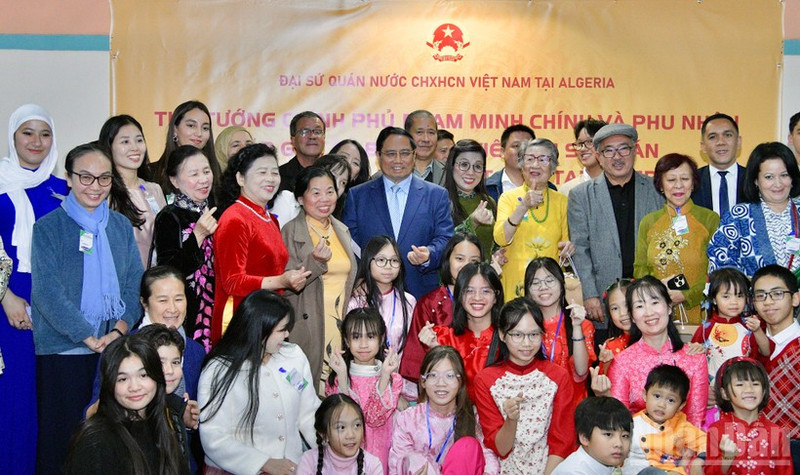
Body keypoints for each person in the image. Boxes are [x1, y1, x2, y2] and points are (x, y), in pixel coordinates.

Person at [31, 142, 143, 473]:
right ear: (68, 178)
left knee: (109, 445)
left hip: (112, 352)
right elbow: (47, 292)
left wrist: (118, 330)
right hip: (62, 352)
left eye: (104, 178)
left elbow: (134, 283)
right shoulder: (48, 228)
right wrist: (87, 336)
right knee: (61, 443)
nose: (94, 187)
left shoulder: (121, 226)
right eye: (85, 177)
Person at [0, 103, 67, 474]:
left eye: (45, 133)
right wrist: (6, 296)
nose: (36, 141)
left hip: (53, 302)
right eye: (28, 132)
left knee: (50, 399)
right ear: (13, 137)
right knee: (15, 395)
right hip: (8, 302)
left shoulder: (63, 189)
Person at [198, 290, 320, 474]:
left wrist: (329, 451)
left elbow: (309, 412)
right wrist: (264, 463)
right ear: (259, 329)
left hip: (293, 468)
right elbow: (213, 436)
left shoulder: (293, 355)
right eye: (281, 330)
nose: (287, 335)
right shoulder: (220, 370)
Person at [567, 123, 664, 334]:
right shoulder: (581, 196)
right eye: (609, 151)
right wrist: (590, 294)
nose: (617, 156)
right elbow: (580, 249)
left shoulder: (656, 190)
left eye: (623, 148)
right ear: (599, 156)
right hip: (603, 302)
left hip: (649, 299)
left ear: (634, 151)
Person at [213, 143, 310, 345]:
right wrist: (281, 281)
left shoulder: (268, 218)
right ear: (240, 178)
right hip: (241, 320)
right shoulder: (235, 218)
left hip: (269, 320)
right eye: (262, 172)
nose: (271, 178)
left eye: (275, 172)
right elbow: (233, 282)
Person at [343, 126, 454, 299]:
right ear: (378, 156)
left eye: (405, 153)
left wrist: (429, 254)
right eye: (390, 154)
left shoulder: (437, 195)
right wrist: (361, 277)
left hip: (422, 293)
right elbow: (350, 244)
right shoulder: (357, 196)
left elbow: (445, 238)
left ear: (414, 155)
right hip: (371, 293)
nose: (398, 160)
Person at [473, 298, 576, 474]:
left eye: (534, 334)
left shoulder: (558, 377)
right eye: (517, 335)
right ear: (502, 335)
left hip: (551, 469)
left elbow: (562, 443)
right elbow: (501, 448)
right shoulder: (485, 380)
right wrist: (511, 420)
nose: (527, 343)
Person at [64, 335, 189, 475]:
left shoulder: (167, 422)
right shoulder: (96, 440)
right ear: (110, 384)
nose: (134, 387)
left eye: (143, 375)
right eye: (123, 379)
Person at [282, 166, 356, 387]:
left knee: (335, 398)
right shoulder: (289, 232)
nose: (324, 199)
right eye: (315, 192)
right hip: (306, 328)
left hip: (339, 326)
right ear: (301, 198)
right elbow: (283, 286)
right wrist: (314, 262)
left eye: (330, 191)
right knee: (304, 394)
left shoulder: (341, 229)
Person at [605, 276, 708, 427]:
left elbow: (695, 420)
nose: (649, 312)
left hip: (683, 446)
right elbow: (620, 423)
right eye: (639, 306)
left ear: (669, 307)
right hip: (637, 446)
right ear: (632, 316)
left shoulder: (694, 359)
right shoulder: (622, 362)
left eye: (654, 302)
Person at [634, 153, 720, 324]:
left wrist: (686, 295)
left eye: (685, 179)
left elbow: (717, 271)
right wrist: (658, 293)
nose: (678, 185)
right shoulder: (649, 222)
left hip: (700, 312)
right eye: (671, 179)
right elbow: (640, 269)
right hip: (656, 314)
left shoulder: (709, 219)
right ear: (660, 185)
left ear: (693, 183)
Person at [390, 346, 499, 475]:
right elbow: (396, 463)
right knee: (413, 459)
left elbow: (488, 455)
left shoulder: (472, 415)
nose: (441, 383)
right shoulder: (408, 418)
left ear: (460, 382)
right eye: (433, 375)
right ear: (423, 381)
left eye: (449, 375)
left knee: (467, 446)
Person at [152, 145, 219, 351]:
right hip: (186, 313)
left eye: (206, 171)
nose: (203, 179)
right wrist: (197, 235)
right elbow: (169, 272)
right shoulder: (169, 216)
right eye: (194, 174)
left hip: (218, 309)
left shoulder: (217, 209)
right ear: (174, 181)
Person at [494, 138, 573, 300]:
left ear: (553, 168)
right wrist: (523, 206)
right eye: (530, 159)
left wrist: (568, 251)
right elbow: (501, 238)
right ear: (522, 165)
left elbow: (565, 247)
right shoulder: (508, 198)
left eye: (543, 159)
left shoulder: (562, 201)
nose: (535, 165)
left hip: (549, 288)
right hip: (516, 285)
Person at [707, 142, 800, 278]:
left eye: (784, 175)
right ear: (756, 180)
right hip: (754, 297)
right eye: (769, 177)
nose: (778, 183)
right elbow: (719, 260)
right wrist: (751, 285)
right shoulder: (738, 217)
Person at [327, 308, 403, 473]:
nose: (363, 344)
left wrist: (384, 376)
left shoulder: (393, 379)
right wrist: (341, 377)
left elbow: (374, 418)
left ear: (381, 338)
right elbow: (342, 418)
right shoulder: (336, 379)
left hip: (381, 457)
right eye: (355, 337)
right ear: (346, 341)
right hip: (345, 460)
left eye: (370, 336)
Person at [400, 232, 483, 383]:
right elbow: (415, 361)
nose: (466, 266)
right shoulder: (429, 303)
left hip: (479, 388)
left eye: (474, 261)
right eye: (459, 259)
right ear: (447, 260)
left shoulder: (486, 301)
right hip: (437, 388)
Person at [691, 268, 769, 422]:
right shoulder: (705, 330)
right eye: (726, 296)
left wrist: (758, 330)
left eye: (739, 295)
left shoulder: (750, 327)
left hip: (744, 398)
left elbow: (766, 352)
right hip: (712, 398)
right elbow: (691, 366)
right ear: (713, 299)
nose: (734, 302)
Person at [417, 262, 503, 395]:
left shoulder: (508, 338)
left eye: (485, 291)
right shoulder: (442, 337)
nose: (477, 297)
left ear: (496, 297)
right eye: (469, 290)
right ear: (459, 296)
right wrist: (435, 349)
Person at [524, 257, 595, 406]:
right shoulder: (524, 326)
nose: (543, 287)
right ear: (528, 291)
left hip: (573, 407)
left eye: (550, 280)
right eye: (535, 283)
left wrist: (576, 327)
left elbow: (581, 372)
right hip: (535, 409)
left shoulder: (582, 324)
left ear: (562, 284)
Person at [705, 357, 794, 474]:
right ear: (725, 393)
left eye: (755, 383)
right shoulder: (716, 430)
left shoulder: (777, 432)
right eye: (740, 384)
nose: (749, 389)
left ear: (764, 391)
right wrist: (727, 459)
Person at [99, 114, 166, 268]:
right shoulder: (102, 192)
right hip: (120, 281)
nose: (135, 147)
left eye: (139, 140)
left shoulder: (154, 189)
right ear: (109, 147)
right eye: (125, 142)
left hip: (154, 283)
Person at [750, 264, 800, 467]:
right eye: (761, 296)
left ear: (795, 298)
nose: (768, 301)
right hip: (750, 446)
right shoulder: (747, 344)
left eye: (777, 294)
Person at [622, 365, 706, 475]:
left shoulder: (681, 426)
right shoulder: (631, 424)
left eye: (671, 400)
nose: (662, 405)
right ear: (645, 395)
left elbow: (707, 442)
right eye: (657, 396)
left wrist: (700, 460)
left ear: (681, 405)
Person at [347, 236, 415, 358]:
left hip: (398, 372)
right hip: (363, 371)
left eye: (394, 260)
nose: (388, 266)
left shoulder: (409, 301)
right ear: (368, 262)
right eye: (381, 260)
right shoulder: (356, 301)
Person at [297, 394, 383, 475]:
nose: (351, 435)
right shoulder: (309, 461)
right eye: (341, 427)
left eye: (357, 425)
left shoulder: (372, 466)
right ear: (323, 434)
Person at [155, 101, 221, 200]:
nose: (199, 133)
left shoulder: (216, 171)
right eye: (191, 125)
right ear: (174, 129)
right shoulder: (152, 173)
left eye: (205, 128)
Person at [551, 396, 633, 475]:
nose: (619, 444)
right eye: (608, 434)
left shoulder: (607, 464)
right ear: (585, 438)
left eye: (625, 436)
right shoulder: (573, 472)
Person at [444, 139, 497, 256]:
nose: (471, 172)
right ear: (451, 166)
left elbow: (494, 243)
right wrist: (472, 222)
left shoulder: (489, 202)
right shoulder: (439, 200)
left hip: (483, 273)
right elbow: (443, 246)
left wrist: (497, 254)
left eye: (477, 166)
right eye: (464, 165)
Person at [691, 113, 746, 218]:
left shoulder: (754, 179)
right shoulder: (692, 181)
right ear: (703, 146)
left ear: (738, 142)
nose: (721, 142)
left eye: (728, 135)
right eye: (712, 137)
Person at [486, 124, 536, 203]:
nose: (522, 151)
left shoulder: (547, 187)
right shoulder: (487, 188)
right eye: (516, 146)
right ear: (502, 152)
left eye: (527, 146)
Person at [279, 111, 326, 193]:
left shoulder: (333, 173)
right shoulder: (279, 177)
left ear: (324, 138)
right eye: (305, 132)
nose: (312, 136)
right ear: (293, 140)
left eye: (317, 132)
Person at [559, 118, 607, 196]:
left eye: (590, 142)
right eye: (580, 143)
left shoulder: (618, 184)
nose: (583, 149)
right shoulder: (568, 190)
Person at [597, 279, 633, 375]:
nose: (622, 313)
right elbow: (604, 385)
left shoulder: (653, 339)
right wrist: (607, 363)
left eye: (627, 305)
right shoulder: (610, 346)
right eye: (615, 308)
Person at [405, 110, 445, 185]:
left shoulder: (449, 174)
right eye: (419, 132)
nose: (426, 139)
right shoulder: (387, 175)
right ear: (407, 136)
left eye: (431, 133)